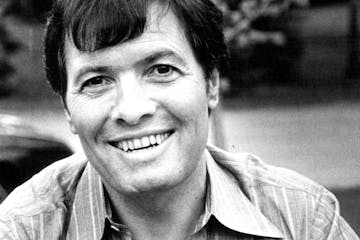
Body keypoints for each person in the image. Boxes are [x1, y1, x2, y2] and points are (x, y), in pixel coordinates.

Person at [0, 0, 358, 239]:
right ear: (67, 109)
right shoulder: (22, 229)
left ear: (211, 83)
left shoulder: (302, 219)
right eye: (96, 81)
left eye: (161, 69)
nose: (131, 109)